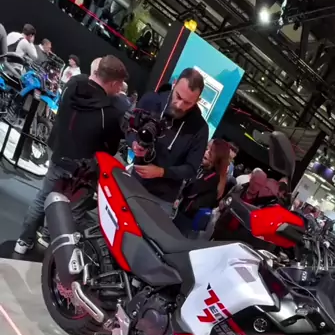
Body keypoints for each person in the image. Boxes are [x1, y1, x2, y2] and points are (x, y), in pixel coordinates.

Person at [14, 55, 128, 255]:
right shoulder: (109, 112)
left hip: (59, 153)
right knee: (71, 214)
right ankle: (56, 254)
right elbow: (110, 149)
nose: (119, 89)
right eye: (119, 85)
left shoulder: (73, 83)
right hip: (82, 170)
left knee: (42, 198)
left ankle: (23, 241)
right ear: (113, 83)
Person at [129, 67, 209, 215]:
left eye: (188, 103)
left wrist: (162, 172)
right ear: (174, 83)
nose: (180, 105)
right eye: (178, 96)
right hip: (135, 180)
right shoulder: (152, 100)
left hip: (162, 198)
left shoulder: (200, 128)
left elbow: (191, 168)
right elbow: (130, 128)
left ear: (197, 100)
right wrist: (134, 143)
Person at [174, 138, 231, 235]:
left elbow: (190, 191)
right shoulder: (206, 170)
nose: (206, 152)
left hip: (188, 220)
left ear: (217, 156)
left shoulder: (213, 177)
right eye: (206, 148)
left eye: (210, 151)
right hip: (184, 215)